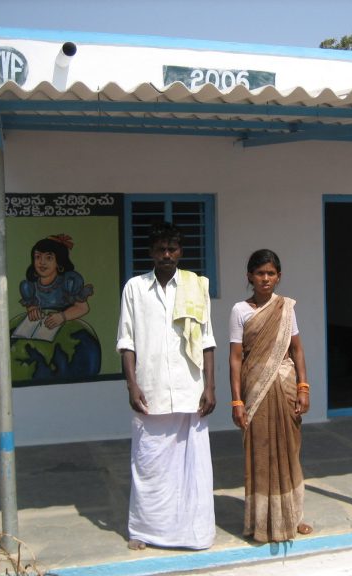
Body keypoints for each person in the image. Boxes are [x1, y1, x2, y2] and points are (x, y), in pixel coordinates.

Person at [116, 221, 217, 551]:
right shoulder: (134, 288)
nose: (167, 255)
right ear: (151, 252)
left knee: (193, 468)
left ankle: (194, 533)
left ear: (181, 252)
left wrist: (210, 386)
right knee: (149, 464)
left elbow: (207, 339)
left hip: (190, 388)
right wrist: (132, 386)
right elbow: (126, 341)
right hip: (151, 390)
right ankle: (145, 531)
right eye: (161, 249)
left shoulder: (196, 287)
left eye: (172, 249)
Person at [228, 248, 312, 543]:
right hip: (255, 390)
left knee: (289, 452)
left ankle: (293, 516)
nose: (265, 278)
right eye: (260, 273)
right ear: (249, 276)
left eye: (271, 273)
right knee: (260, 454)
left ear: (279, 277)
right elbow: (236, 357)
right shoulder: (240, 310)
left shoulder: (286, 308)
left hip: (286, 387)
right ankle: (260, 521)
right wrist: (236, 400)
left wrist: (303, 387)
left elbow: (297, 349)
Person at [19, 234, 93, 330]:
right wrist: (32, 310)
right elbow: (31, 307)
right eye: (37, 257)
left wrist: (62, 316)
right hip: (43, 331)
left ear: (59, 261)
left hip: (68, 329)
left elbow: (83, 308)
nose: (42, 262)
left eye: (48, 258)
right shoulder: (29, 287)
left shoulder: (69, 281)